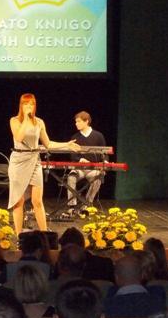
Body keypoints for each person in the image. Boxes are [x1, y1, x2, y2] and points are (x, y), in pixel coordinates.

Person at [8, 93, 80, 235]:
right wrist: (26, 119)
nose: (29, 106)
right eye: (26, 103)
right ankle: (19, 237)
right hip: (18, 162)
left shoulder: (39, 122)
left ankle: (44, 235)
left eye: (32, 104)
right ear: (21, 105)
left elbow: (48, 144)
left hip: (34, 161)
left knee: (37, 200)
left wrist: (67, 145)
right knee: (18, 201)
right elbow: (19, 137)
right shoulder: (14, 121)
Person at [65, 111, 106, 214]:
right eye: (76, 122)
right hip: (79, 169)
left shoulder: (98, 136)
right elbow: (72, 155)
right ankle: (72, 205)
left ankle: (87, 204)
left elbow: (104, 153)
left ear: (86, 121)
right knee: (71, 177)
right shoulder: (75, 137)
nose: (76, 124)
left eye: (78, 121)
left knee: (97, 177)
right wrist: (80, 159)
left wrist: (105, 162)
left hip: (93, 169)